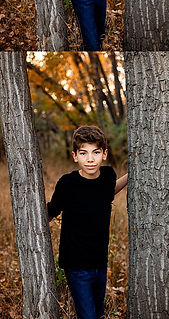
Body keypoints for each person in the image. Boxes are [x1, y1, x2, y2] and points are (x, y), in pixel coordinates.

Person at [48, 125, 128, 319]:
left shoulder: (108, 176)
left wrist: (131, 175)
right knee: (88, 316)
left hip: (100, 262)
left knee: (98, 313)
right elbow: (50, 212)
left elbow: (108, 192)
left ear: (104, 154)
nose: (90, 159)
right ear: (75, 155)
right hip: (76, 265)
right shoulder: (67, 184)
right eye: (83, 153)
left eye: (96, 152)